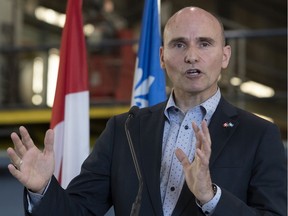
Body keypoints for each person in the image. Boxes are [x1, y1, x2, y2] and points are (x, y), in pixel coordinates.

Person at [6, 6, 287, 216]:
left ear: (225, 56)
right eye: (179, 44)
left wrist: (211, 197)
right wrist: (42, 189)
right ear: (162, 57)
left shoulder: (260, 134)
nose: (191, 55)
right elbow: (79, 210)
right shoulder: (125, 129)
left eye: (204, 43)